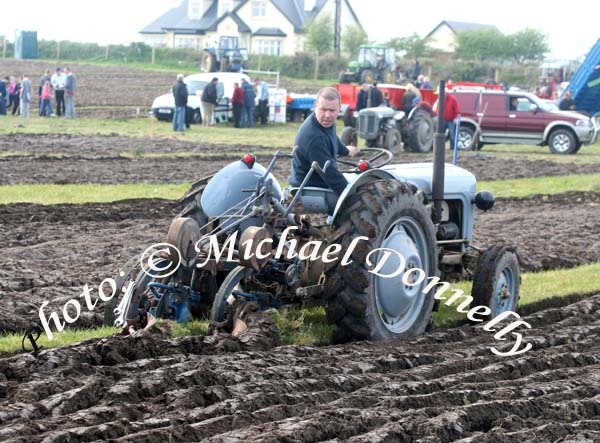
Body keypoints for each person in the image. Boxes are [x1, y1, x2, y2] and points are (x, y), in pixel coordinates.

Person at [289, 87, 358, 198]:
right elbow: (330, 174)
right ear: (315, 106)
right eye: (323, 109)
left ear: (339, 109)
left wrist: (346, 150)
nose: (327, 115)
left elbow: (333, 138)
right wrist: (351, 196)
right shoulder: (314, 138)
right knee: (356, 192)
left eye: (332, 110)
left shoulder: (325, 123)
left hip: (322, 178)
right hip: (310, 189)